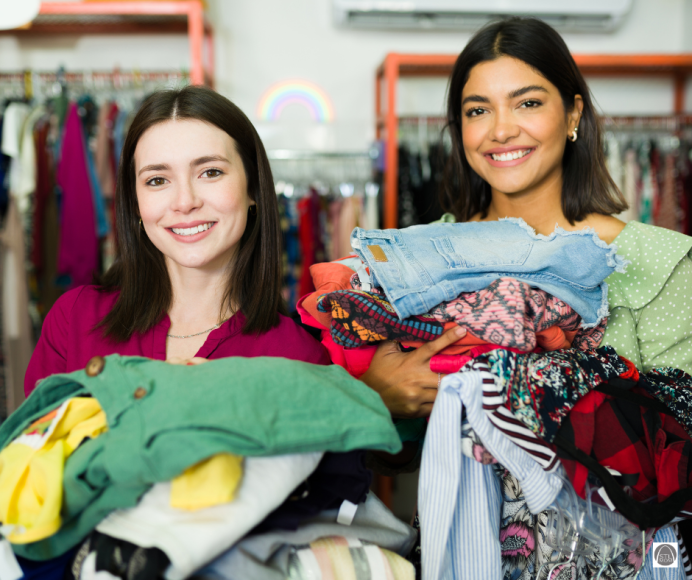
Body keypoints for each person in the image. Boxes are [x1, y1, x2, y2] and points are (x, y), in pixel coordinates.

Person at [361, 16, 692, 417]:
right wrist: (373, 399)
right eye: (478, 110)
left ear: (573, 114)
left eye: (528, 103)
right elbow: (389, 458)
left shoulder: (662, 263)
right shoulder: (415, 250)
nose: (500, 131)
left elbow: (680, 445)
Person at [25, 85, 329, 394]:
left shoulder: (301, 359)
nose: (185, 202)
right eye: (157, 180)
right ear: (135, 203)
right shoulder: (74, 320)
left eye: (210, 172)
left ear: (252, 188)